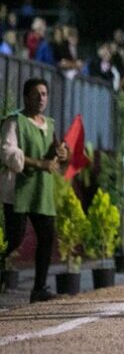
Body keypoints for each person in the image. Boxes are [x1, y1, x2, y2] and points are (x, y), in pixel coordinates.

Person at [0, 78, 69, 302]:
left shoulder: (48, 123)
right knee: (14, 239)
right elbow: (8, 152)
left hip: (41, 191)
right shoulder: (14, 121)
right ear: (26, 97)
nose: (42, 98)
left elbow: (52, 153)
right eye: (37, 94)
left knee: (47, 237)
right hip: (18, 190)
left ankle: (39, 288)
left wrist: (61, 153)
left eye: (45, 94)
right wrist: (40, 164)